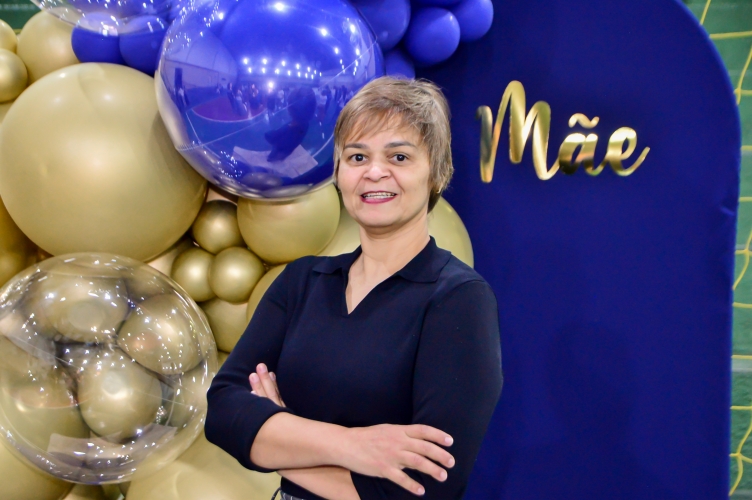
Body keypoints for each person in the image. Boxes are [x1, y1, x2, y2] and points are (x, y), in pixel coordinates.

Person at [205, 77, 503, 500]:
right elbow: (223, 413)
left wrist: (278, 436)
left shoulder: (459, 299)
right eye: (357, 156)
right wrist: (353, 446)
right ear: (339, 173)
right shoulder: (302, 282)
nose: (374, 172)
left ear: (436, 173)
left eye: (399, 156)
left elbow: (423, 487)